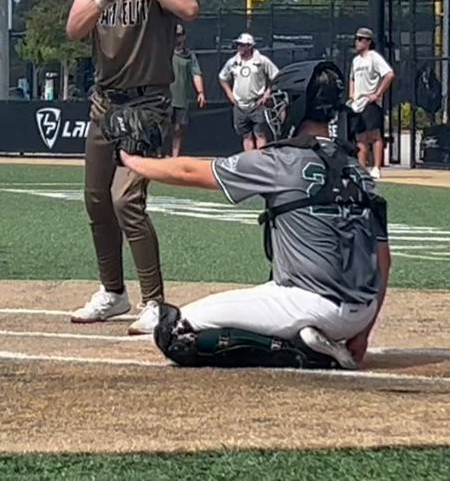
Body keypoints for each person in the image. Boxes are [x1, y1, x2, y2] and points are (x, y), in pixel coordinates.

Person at [119, 60, 391, 370]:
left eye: (281, 103)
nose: (276, 111)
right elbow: (383, 261)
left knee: (175, 332)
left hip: (307, 303)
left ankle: (306, 352)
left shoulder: (280, 160)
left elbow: (189, 171)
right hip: (362, 310)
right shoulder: (359, 171)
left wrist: (133, 161)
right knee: (268, 300)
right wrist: (364, 331)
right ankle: (308, 340)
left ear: (297, 105)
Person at [63, 0, 200, 335]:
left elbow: (188, 9)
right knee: (97, 199)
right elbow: (75, 29)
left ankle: (155, 301)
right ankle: (113, 292)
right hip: (105, 103)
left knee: (126, 201)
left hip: (148, 104)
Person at [347, 28, 395, 180]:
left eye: (360, 39)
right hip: (357, 104)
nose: (357, 42)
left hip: (371, 103)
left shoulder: (374, 57)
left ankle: (376, 168)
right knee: (360, 138)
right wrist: (352, 94)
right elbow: (352, 78)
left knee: (374, 136)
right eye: (356, 38)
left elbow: (389, 74)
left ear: (368, 42)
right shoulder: (355, 60)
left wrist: (377, 94)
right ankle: (362, 170)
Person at [219, 33, 279, 151]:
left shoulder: (262, 61)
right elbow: (222, 77)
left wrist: (267, 94)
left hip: (257, 104)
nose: (239, 47)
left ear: (250, 46)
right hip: (240, 105)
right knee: (246, 136)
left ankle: (260, 160)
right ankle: (249, 160)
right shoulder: (233, 62)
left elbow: (276, 76)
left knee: (260, 134)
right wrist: (229, 94)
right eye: (238, 45)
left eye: (242, 45)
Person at [168, 24, 206, 157]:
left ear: (184, 36)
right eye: (174, 35)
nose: (176, 38)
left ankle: (175, 157)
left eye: (179, 35)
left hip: (181, 99)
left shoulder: (190, 56)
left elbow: (196, 74)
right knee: (163, 128)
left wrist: (200, 92)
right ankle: (158, 155)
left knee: (178, 128)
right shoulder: (164, 52)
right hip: (164, 98)